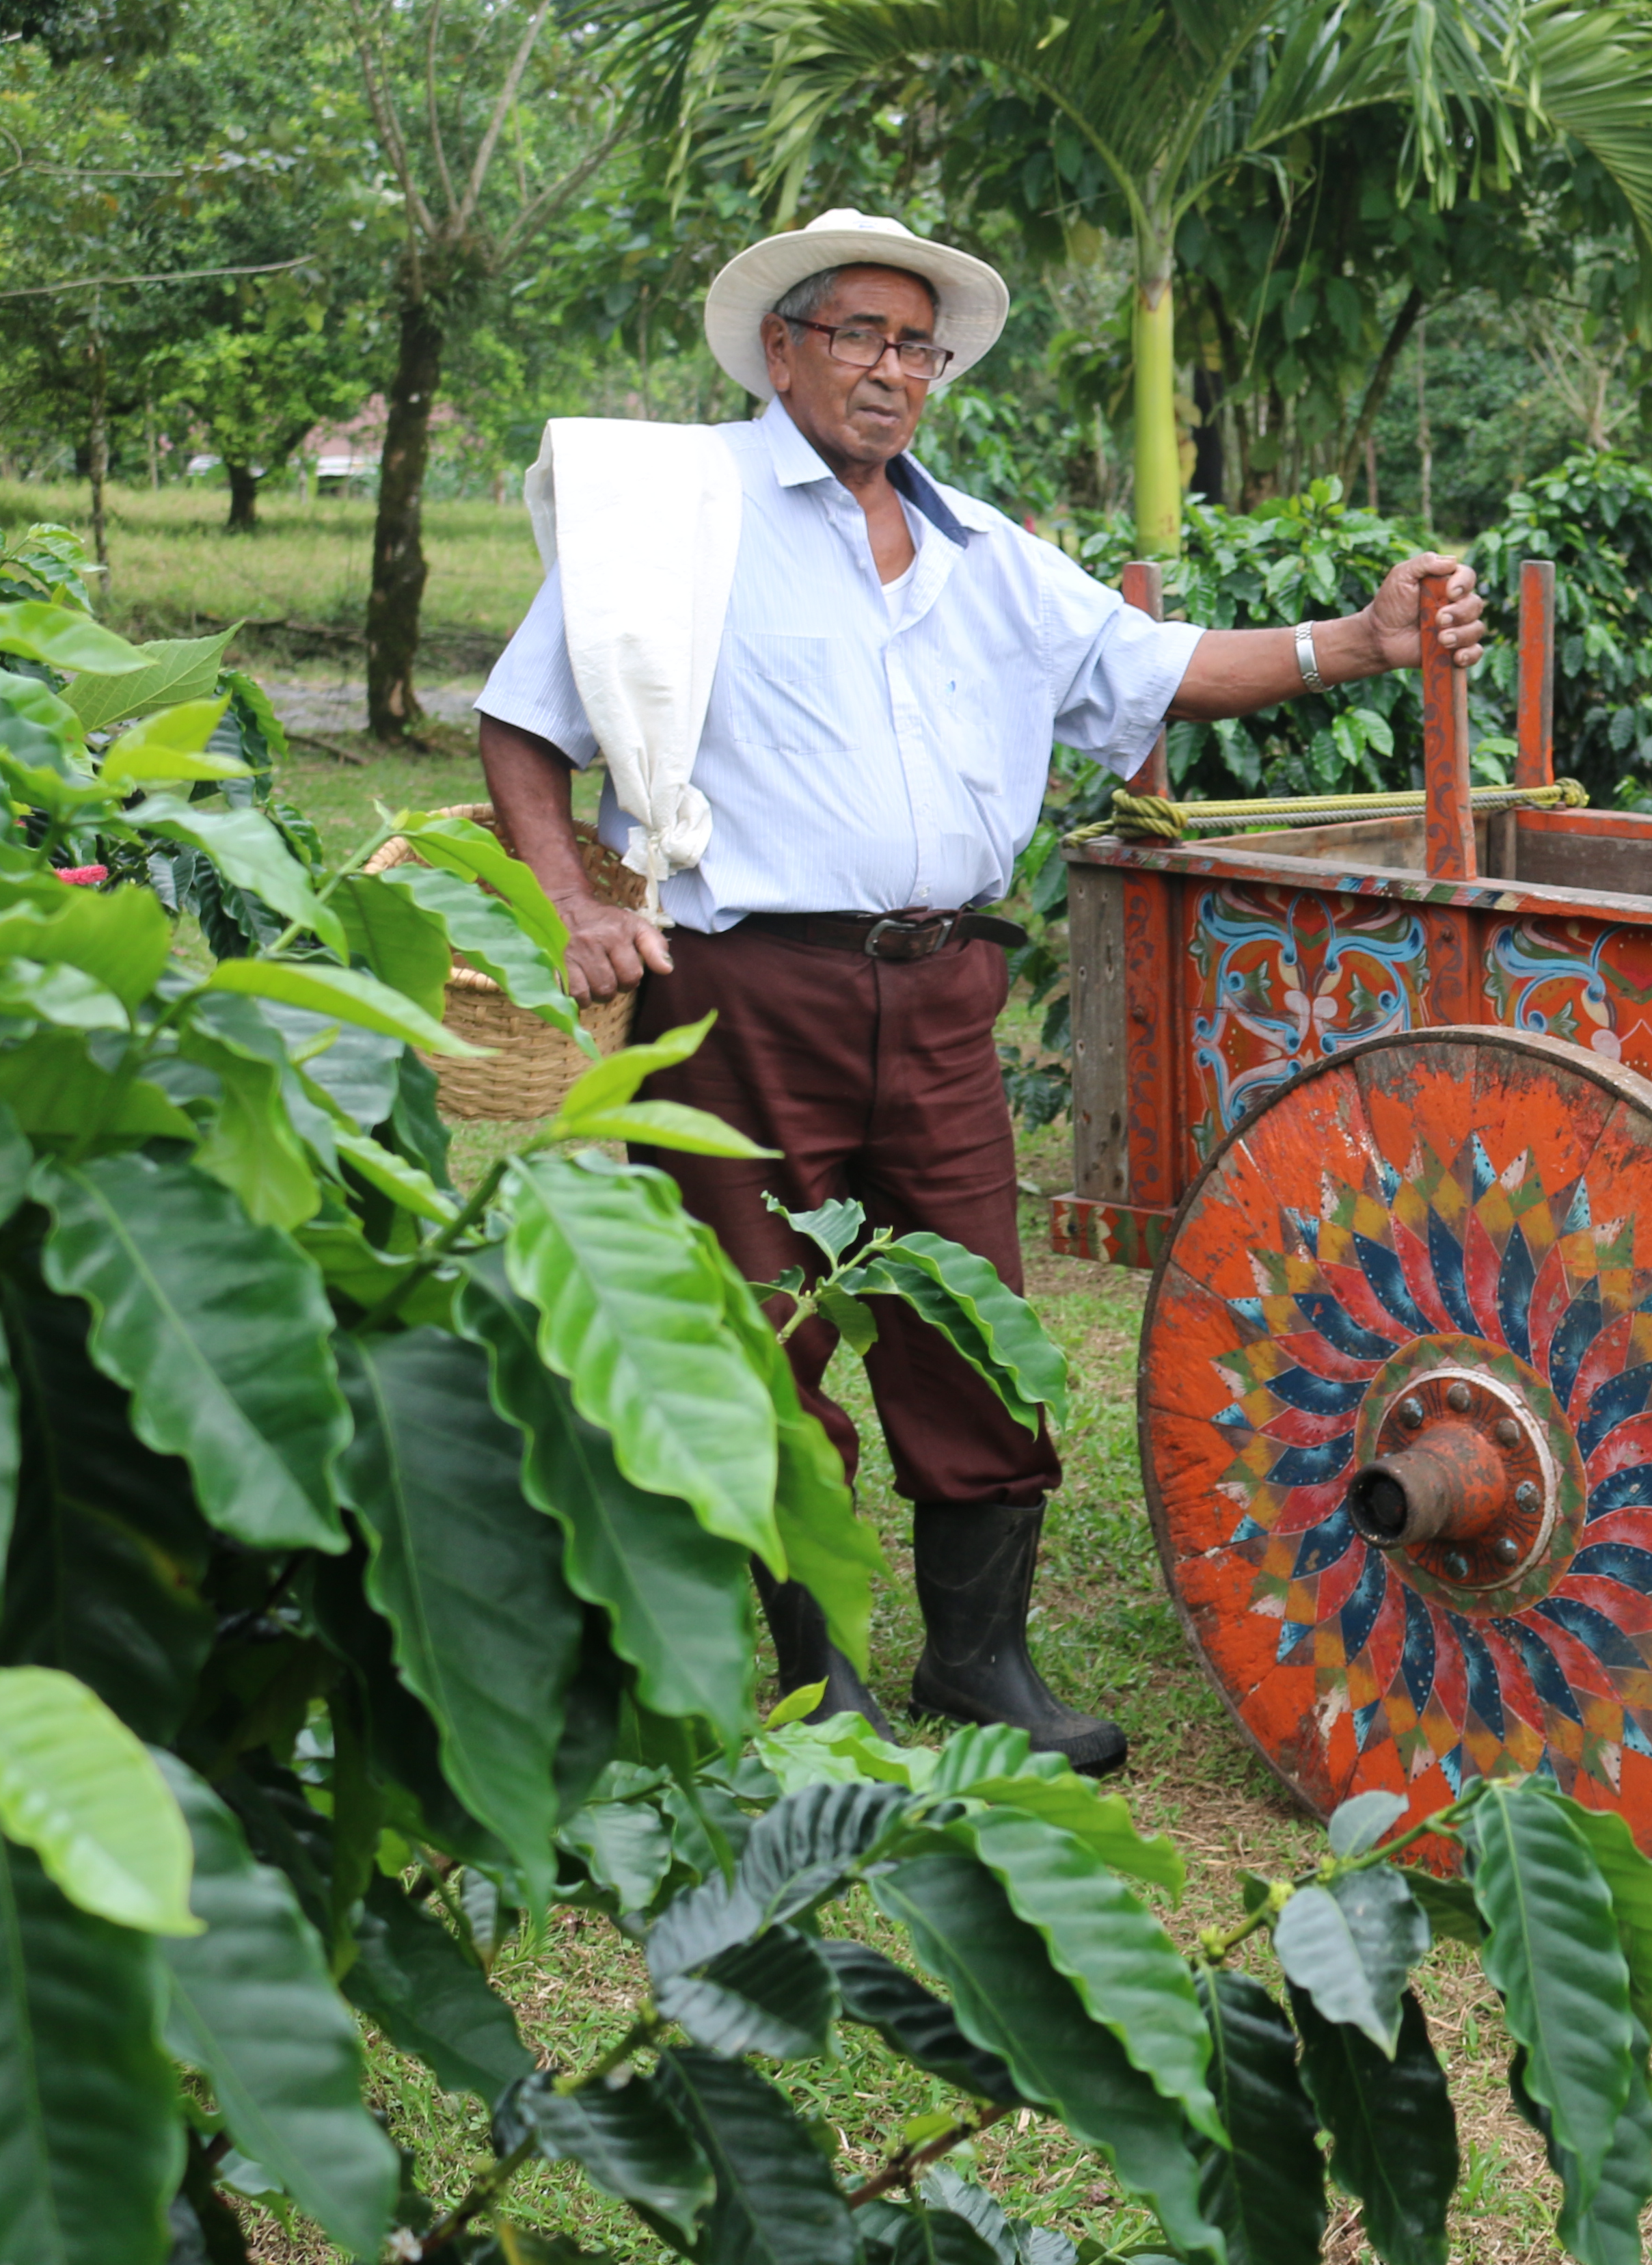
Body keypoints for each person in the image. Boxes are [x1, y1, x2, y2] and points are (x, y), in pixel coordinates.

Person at [474, 209, 1485, 1773]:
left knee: (968, 1313)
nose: (893, 370)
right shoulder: (684, 523)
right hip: (744, 993)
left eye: (917, 345)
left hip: (942, 990)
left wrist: (1358, 639)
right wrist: (563, 903)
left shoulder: (980, 551)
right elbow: (525, 727)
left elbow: (1153, 667)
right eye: (862, 336)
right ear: (784, 349)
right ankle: (823, 1681)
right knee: (763, 1328)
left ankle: (978, 1664)